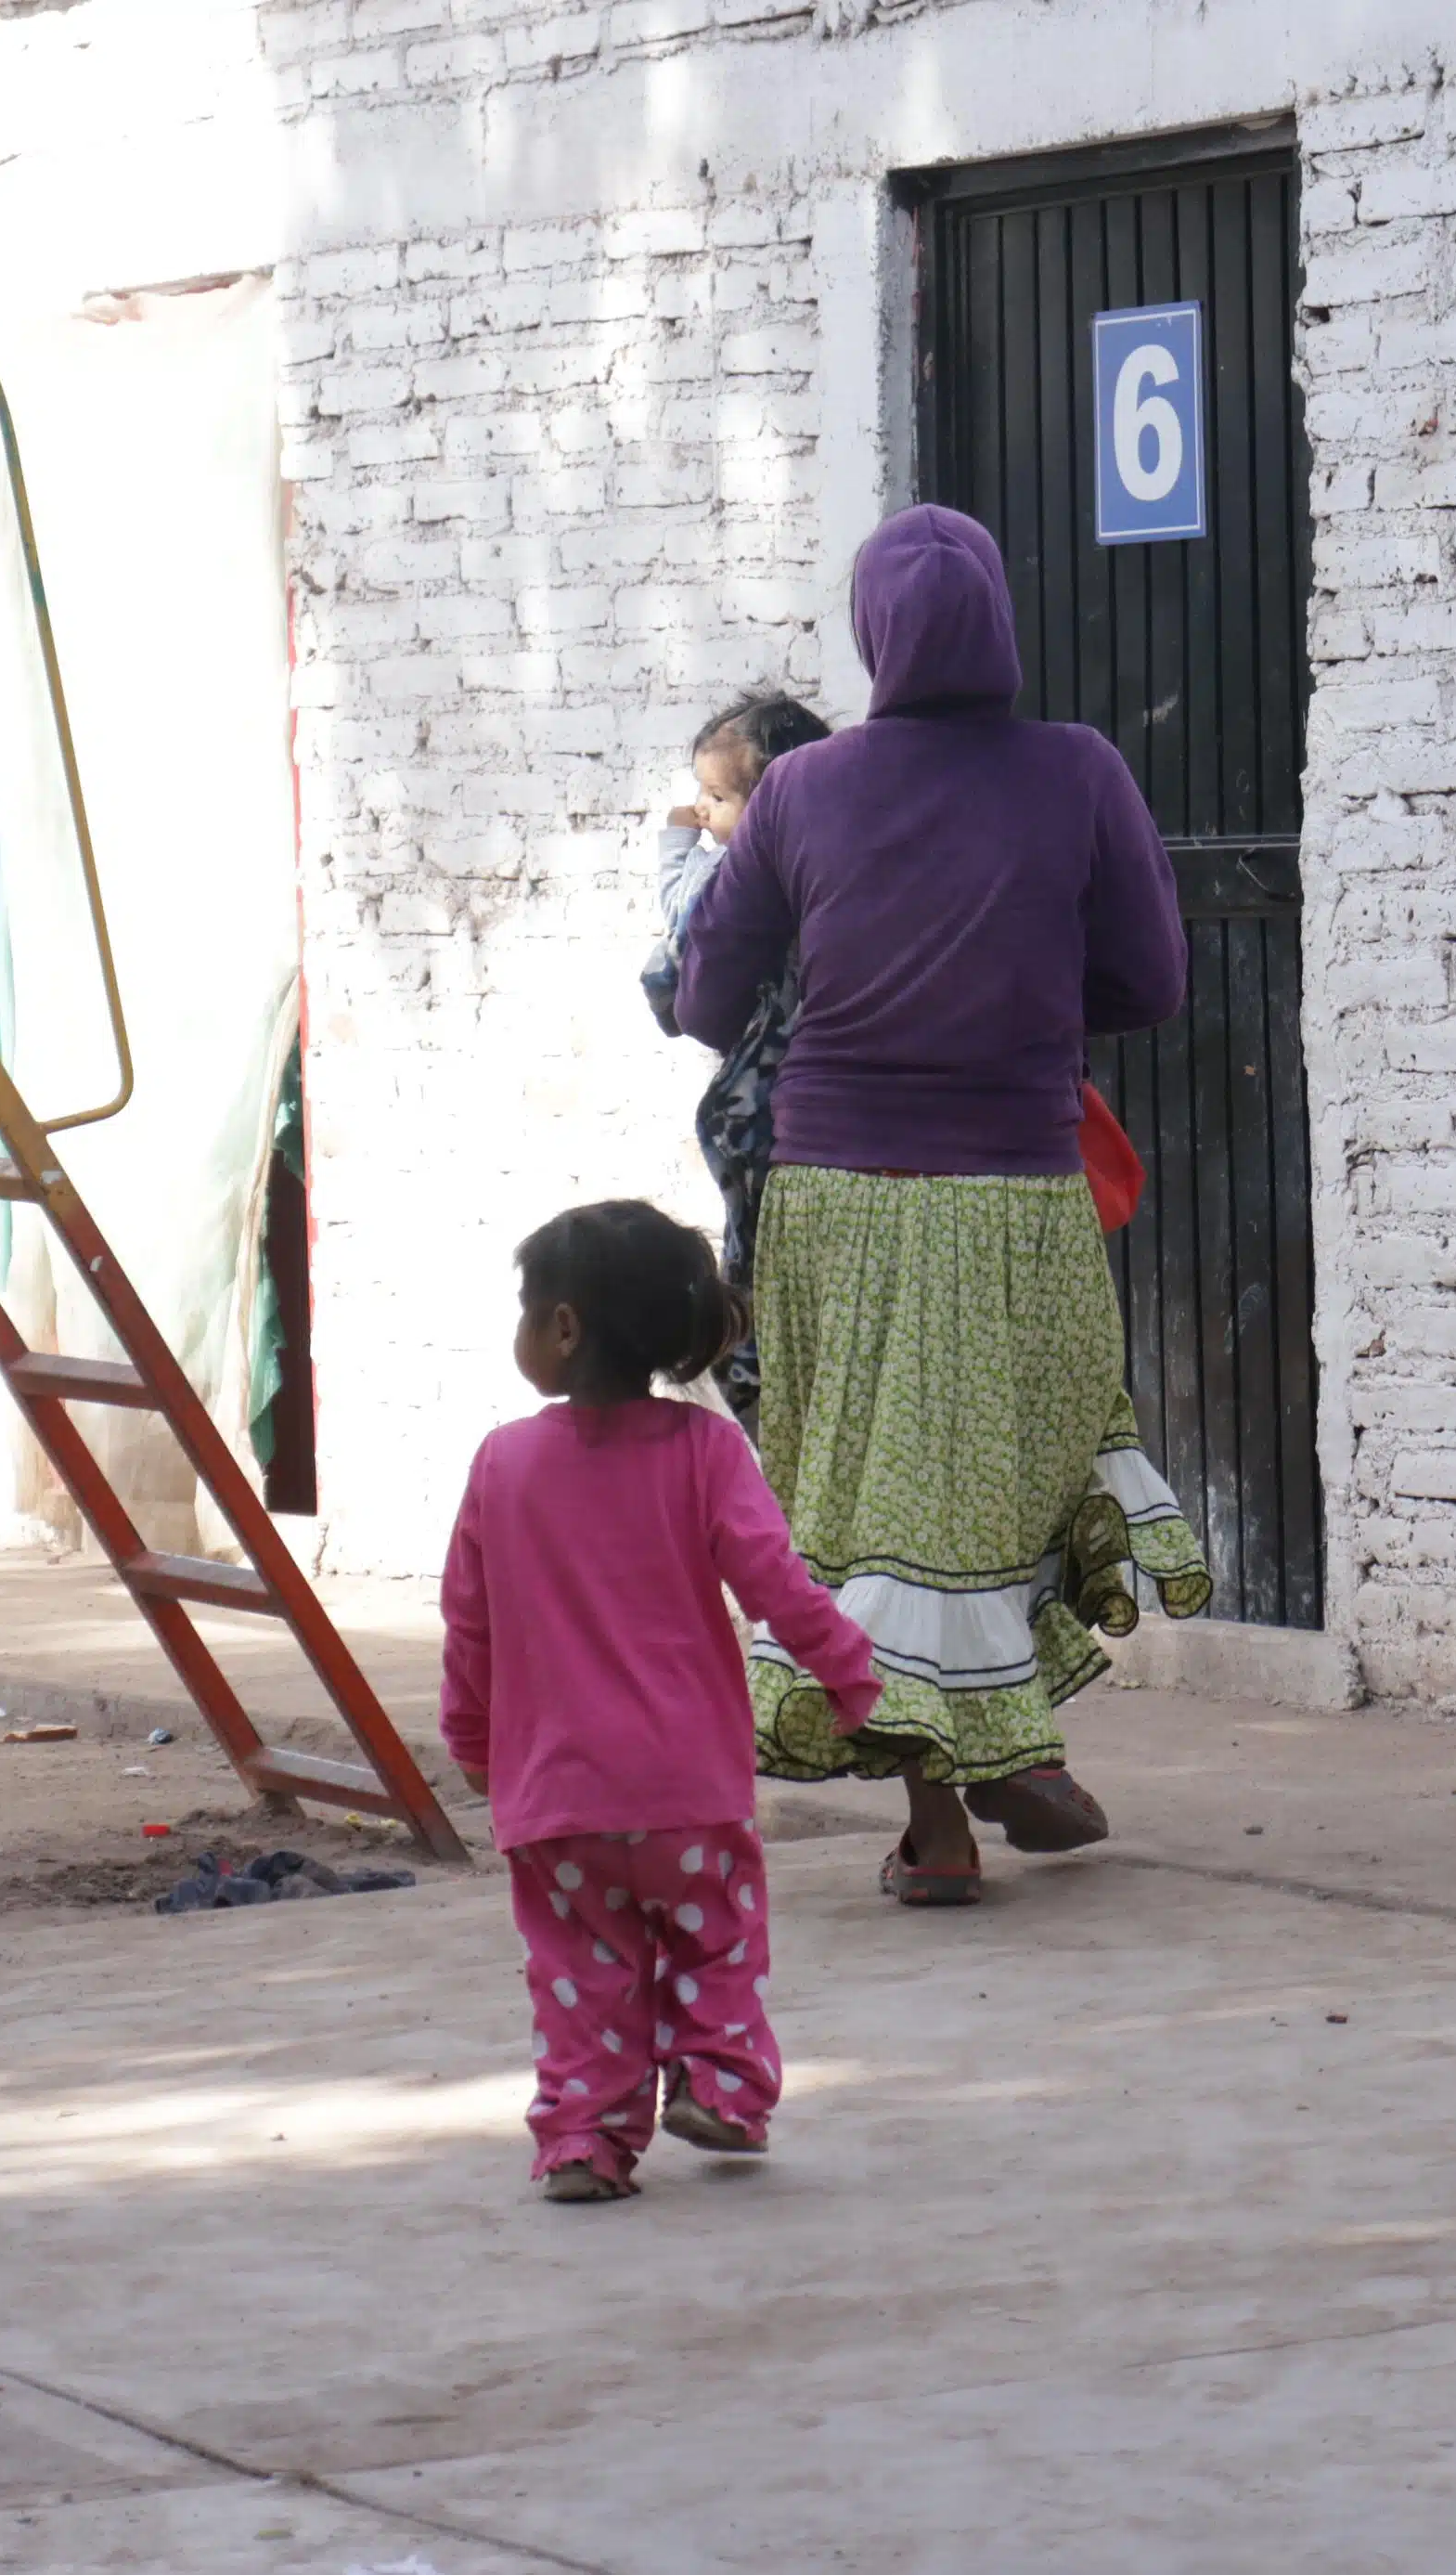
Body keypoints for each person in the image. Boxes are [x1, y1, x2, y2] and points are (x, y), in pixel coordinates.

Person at [676, 503, 1212, 1908]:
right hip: (1019, 1196)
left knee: (882, 1503)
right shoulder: (1078, 772)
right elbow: (1153, 983)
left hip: (838, 1204)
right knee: (1002, 1479)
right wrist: (1024, 1005)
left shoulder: (800, 794)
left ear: (872, 637)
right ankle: (987, 1770)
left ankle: (962, 1799)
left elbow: (704, 995)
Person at [440, 1199, 883, 2203]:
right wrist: (848, 1672)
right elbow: (777, 1582)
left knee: (579, 1972)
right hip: (688, 1786)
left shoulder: (500, 1463)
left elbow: (469, 1623)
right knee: (714, 1936)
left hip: (555, 1800)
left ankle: (583, 2141)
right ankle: (723, 2086)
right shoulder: (707, 1452)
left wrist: (471, 1738)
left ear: (561, 1327)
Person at [640, 692, 833, 1427]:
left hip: (772, 1140)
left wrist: (673, 856)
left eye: (719, 797)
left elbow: (687, 955)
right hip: (782, 1145)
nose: (703, 814)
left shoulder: (749, 882)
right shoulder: (824, 874)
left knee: (761, 1314)